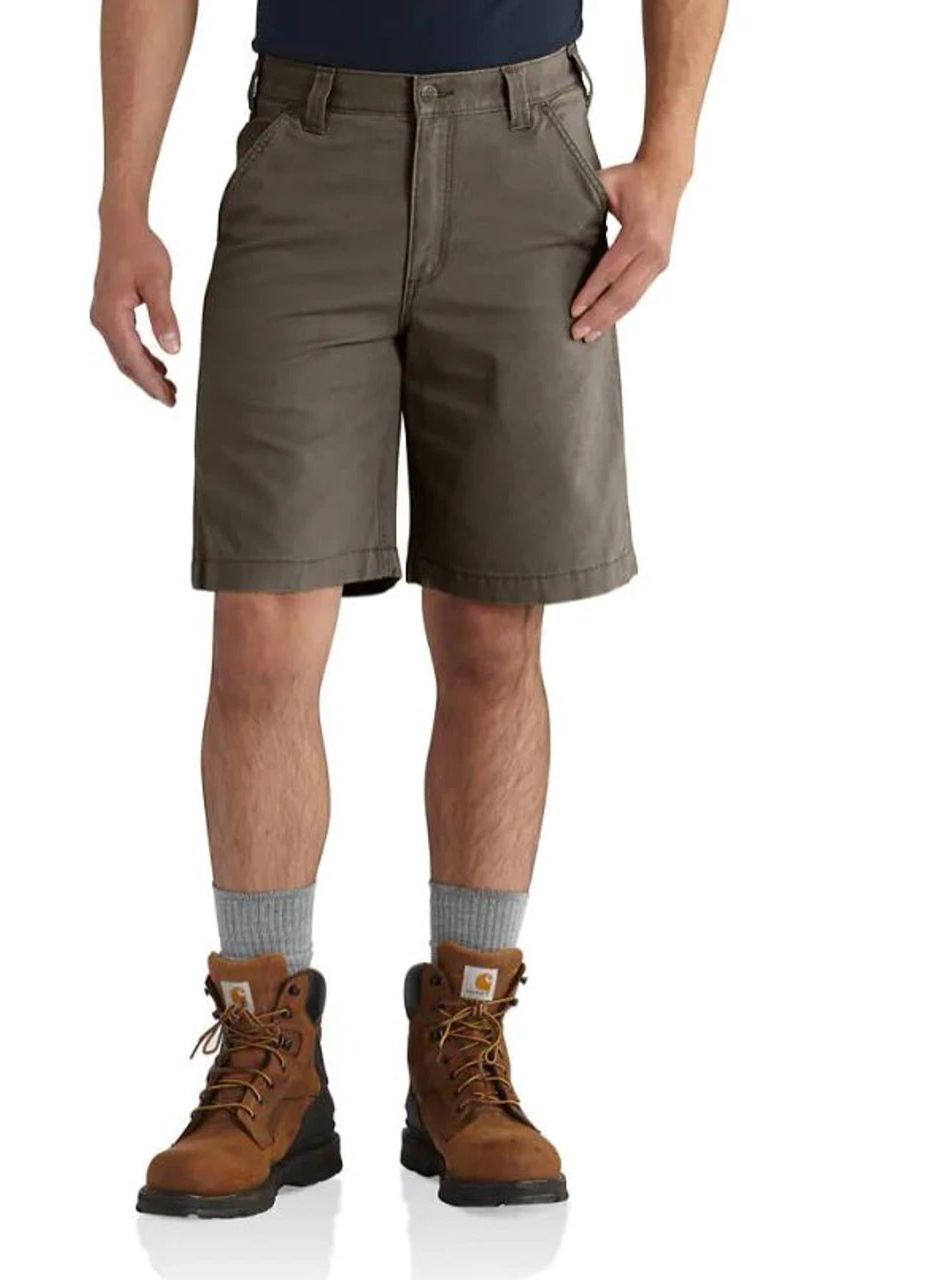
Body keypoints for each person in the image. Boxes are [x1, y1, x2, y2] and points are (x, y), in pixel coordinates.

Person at [91, 0, 726, 1219]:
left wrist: (671, 153)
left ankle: (464, 1040)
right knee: (261, 629)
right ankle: (265, 1045)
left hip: (524, 146)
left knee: (493, 629)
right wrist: (124, 199)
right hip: (307, 146)